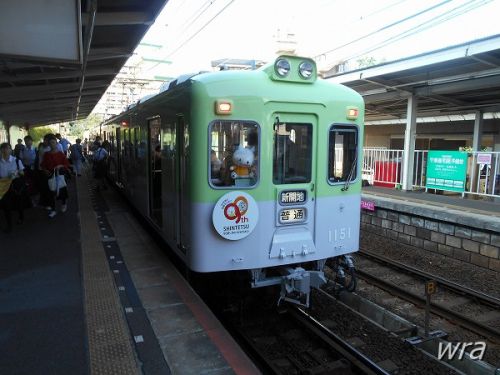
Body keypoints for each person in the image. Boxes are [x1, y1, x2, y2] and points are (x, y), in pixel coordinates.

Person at [40, 135, 70, 218]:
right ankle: (53, 209)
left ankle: (63, 204)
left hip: (59, 175)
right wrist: (45, 170)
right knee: (50, 193)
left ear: (56, 143)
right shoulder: (46, 154)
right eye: (50, 143)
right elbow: (43, 165)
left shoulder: (60, 154)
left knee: (62, 191)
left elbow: (66, 164)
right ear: (49, 145)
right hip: (50, 175)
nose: (52, 144)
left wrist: (60, 165)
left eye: (53, 142)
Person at [0, 142, 27, 232]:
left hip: (15, 185)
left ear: (11, 150)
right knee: (5, 205)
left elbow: (22, 173)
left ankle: (21, 216)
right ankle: (9, 225)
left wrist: (17, 173)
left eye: (7, 148)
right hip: (4, 186)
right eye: (3, 149)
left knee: (18, 202)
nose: (5, 151)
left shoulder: (16, 160)